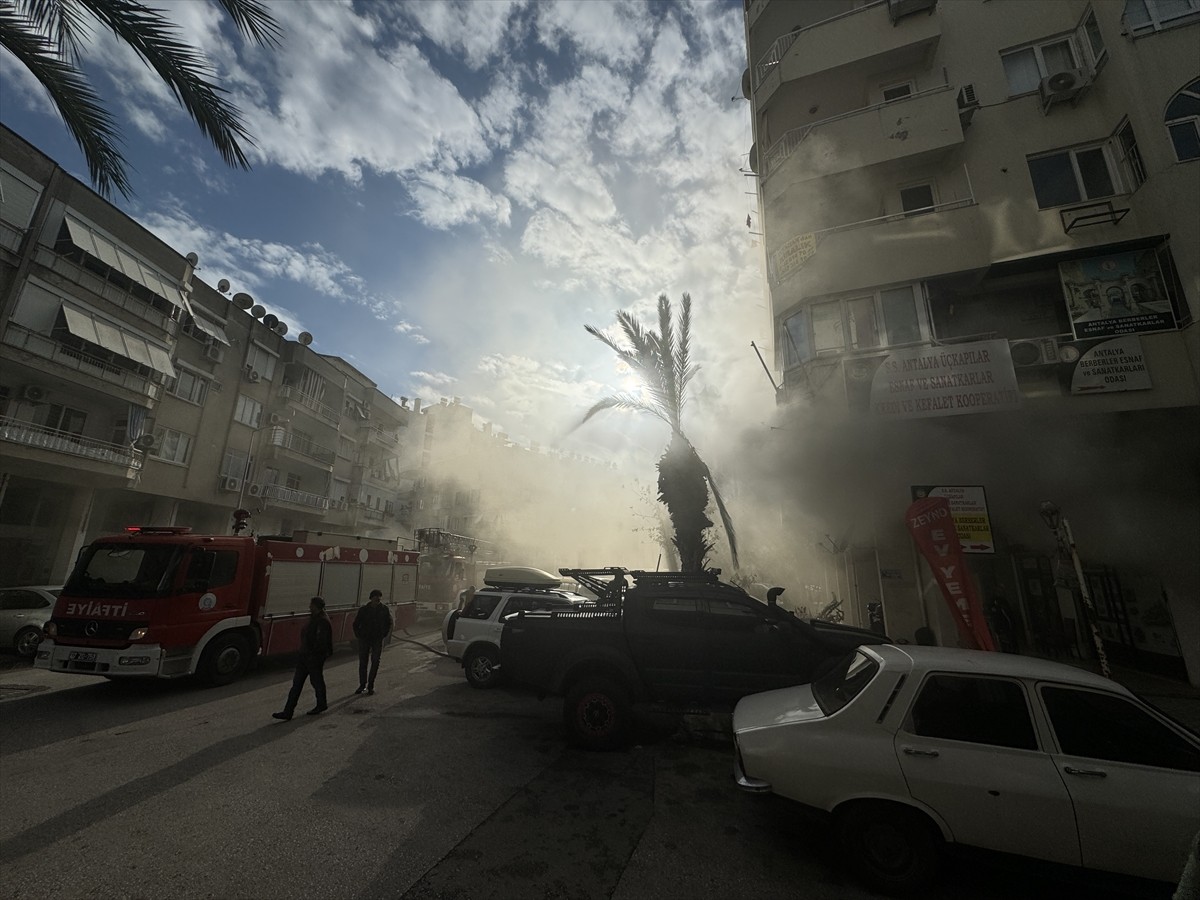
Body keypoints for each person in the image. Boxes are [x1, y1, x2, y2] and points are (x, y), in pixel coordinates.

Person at [272, 597, 333, 720]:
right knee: (297, 684)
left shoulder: (322, 621)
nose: (309, 607)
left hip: (313, 658)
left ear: (316, 606)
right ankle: (288, 711)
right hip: (305, 656)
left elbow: (321, 642)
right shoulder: (314, 618)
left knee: (316, 682)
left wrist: (312, 654)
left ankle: (321, 704)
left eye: (311, 605)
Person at [353, 588, 393, 695]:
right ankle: (362, 685)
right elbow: (356, 624)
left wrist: (383, 634)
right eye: (375, 599)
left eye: (379, 599)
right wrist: (359, 635)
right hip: (365, 639)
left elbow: (389, 623)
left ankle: (370, 685)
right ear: (371, 599)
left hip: (377, 639)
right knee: (363, 662)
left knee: (375, 661)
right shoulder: (364, 610)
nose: (377, 601)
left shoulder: (384, 609)